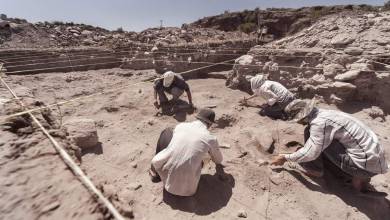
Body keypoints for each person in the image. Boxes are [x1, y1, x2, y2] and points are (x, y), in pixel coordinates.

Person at [271, 99, 388, 192]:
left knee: (312, 135)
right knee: (323, 138)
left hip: (364, 168)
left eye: (297, 120)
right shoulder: (326, 114)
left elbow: (311, 153)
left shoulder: (319, 124)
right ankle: (359, 178)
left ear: (303, 117)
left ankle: (314, 169)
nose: (298, 123)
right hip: (375, 162)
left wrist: (285, 157)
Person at [150, 108, 223, 196]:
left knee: (167, 132)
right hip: (189, 190)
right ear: (210, 124)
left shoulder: (181, 126)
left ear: (197, 118)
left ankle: (156, 174)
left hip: (167, 182)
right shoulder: (211, 138)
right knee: (203, 155)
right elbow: (218, 160)